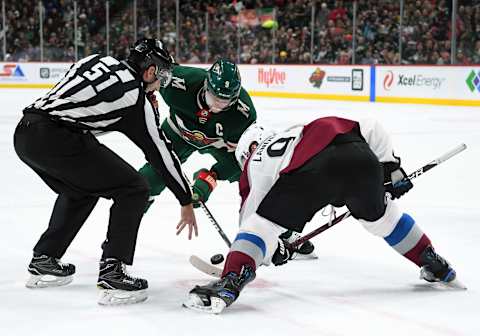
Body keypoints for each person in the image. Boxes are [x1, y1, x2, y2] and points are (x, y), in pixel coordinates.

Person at [184, 116, 461, 314]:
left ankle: (231, 283)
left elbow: (252, 225)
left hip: (313, 174)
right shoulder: (299, 130)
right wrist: (391, 169)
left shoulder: (252, 167)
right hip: (359, 156)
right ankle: (433, 261)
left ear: (245, 153)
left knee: (260, 227)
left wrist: (269, 251)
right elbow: (373, 127)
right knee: (384, 219)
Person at [14, 38, 197, 305]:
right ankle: (114, 271)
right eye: (162, 76)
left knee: (81, 188)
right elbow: (161, 154)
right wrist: (185, 198)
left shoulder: (96, 59)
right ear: (150, 72)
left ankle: (45, 258)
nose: (161, 84)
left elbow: (77, 98)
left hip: (25, 132)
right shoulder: (136, 97)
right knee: (134, 188)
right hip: (58, 137)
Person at [138, 58, 316, 258]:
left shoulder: (243, 113)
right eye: (216, 99)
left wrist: (210, 178)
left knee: (257, 173)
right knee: (148, 179)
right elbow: (144, 77)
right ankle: (126, 229)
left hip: (218, 143)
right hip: (177, 134)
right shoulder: (179, 80)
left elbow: (241, 159)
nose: (219, 106)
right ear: (206, 86)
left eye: (226, 102)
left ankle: (285, 232)